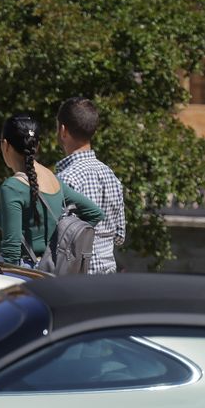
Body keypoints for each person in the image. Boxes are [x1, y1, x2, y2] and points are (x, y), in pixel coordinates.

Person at [0, 113, 103, 268]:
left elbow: (11, 249)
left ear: (5, 145)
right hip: (52, 269)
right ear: (36, 146)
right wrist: (65, 242)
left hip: (25, 271)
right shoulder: (53, 179)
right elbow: (95, 213)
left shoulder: (12, 187)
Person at [54, 96, 126, 274]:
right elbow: (119, 237)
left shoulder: (65, 179)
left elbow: (55, 238)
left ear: (63, 130)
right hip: (108, 278)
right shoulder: (111, 176)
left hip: (76, 280)